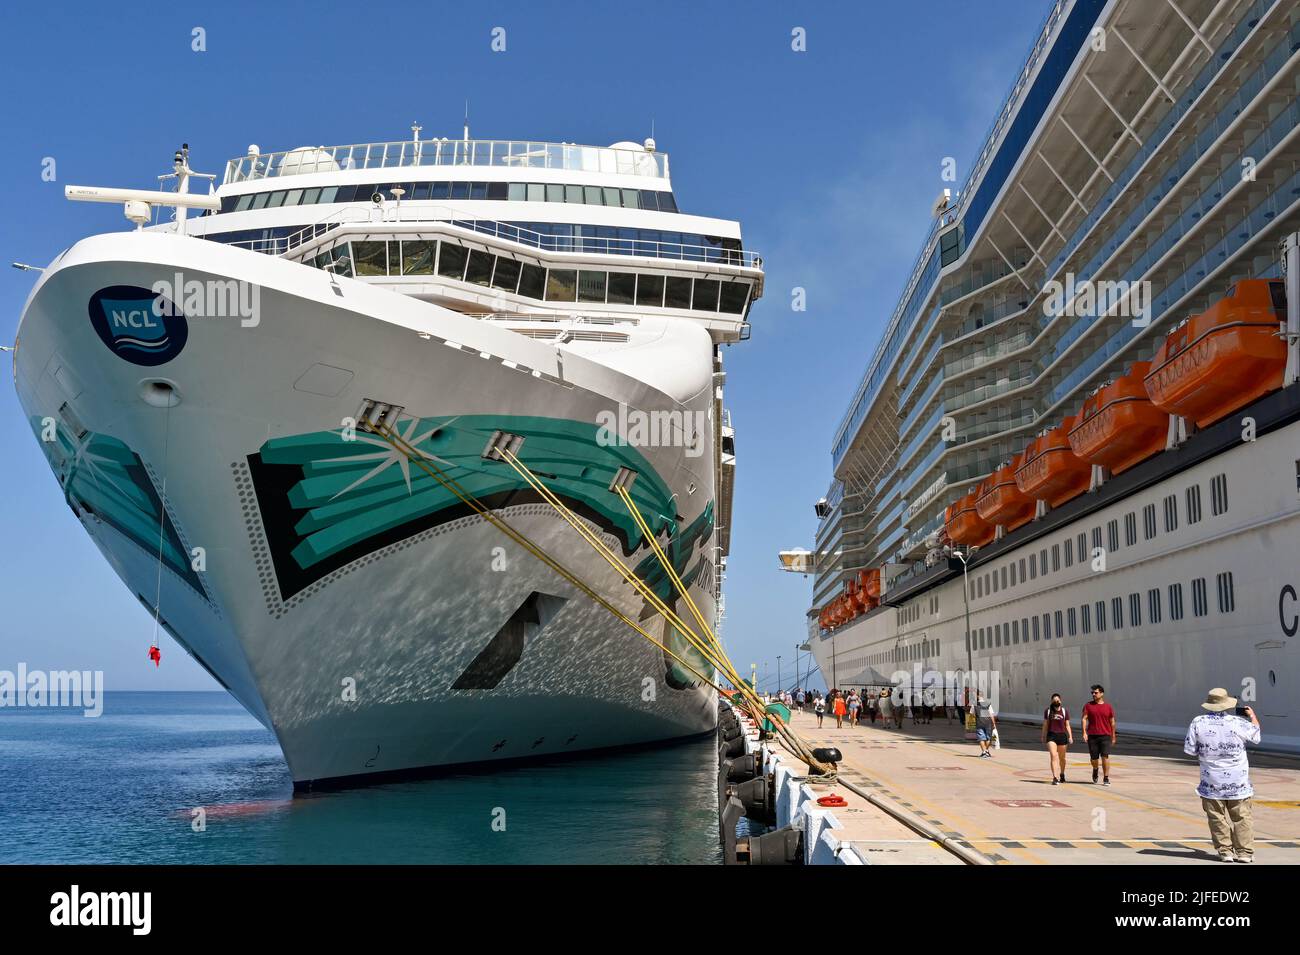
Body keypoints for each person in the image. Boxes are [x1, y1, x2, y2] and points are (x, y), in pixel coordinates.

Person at [1184, 688, 1261, 863]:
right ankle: (1245, 853)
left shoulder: (1198, 722)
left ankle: (1225, 851)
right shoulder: (1238, 722)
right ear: (1227, 704)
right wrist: (1252, 716)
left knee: (1216, 817)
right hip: (1238, 782)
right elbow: (1256, 735)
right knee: (1242, 817)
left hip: (1211, 781)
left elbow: (1190, 750)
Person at [1082, 684, 1117, 785]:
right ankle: (1095, 769)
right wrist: (1084, 732)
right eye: (1092, 693)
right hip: (1092, 736)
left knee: (1105, 756)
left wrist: (1113, 736)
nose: (1093, 694)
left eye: (1095, 692)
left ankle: (1106, 778)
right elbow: (1084, 719)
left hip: (1105, 735)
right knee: (1094, 759)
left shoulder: (1108, 707)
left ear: (1102, 693)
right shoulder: (1088, 705)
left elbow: (1112, 722)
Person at [1041, 692, 1073, 785]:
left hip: (1062, 736)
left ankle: (1062, 774)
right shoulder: (1048, 711)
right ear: (1051, 701)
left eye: (1057, 700)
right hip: (1051, 736)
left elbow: (1067, 725)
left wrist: (1070, 736)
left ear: (1060, 701)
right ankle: (1055, 777)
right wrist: (1043, 735)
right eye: (1054, 700)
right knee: (1053, 755)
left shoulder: (1064, 711)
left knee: (1062, 758)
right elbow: (1045, 724)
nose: (1056, 702)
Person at [973, 692, 997, 756]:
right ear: (983, 696)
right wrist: (994, 724)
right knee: (988, 738)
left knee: (981, 738)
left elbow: (972, 714)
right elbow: (991, 714)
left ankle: (984, 752)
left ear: (977, 696)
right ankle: (986, 751)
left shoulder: (974, 704)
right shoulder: (988, 703)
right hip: (988, 723)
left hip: (979, 722)